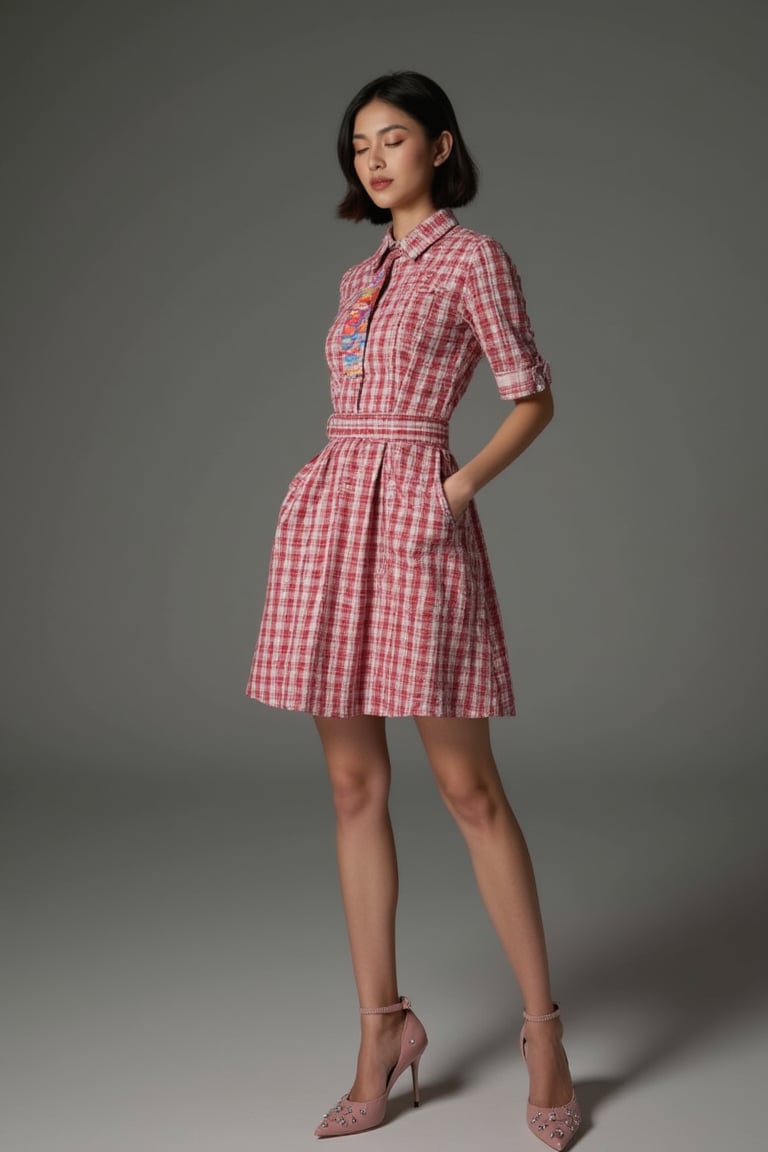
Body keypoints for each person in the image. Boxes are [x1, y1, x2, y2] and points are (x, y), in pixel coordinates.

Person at [246, 71, 580, 1149]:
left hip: (420, 515)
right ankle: (380, 1032)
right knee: (352, 785)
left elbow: (532, 393)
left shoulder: (474, 257)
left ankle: (544, 1034)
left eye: (394, 139)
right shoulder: (358, 276)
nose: (375, 159)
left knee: (465, 786)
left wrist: (459, 485)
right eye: (358, 146)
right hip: (334, 513)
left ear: (441, 145)